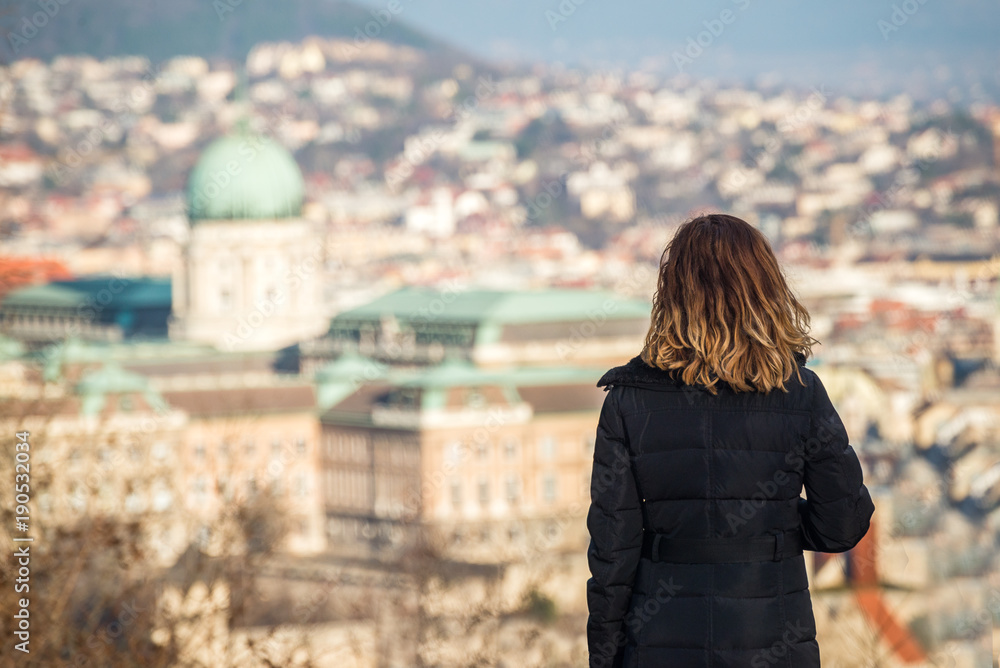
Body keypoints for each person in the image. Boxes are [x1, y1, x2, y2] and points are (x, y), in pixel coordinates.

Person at [586, 213, 875, 668]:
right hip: (775, 640)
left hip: (659, 642)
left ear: (672, 293)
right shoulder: (800, 392)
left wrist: (604, 657)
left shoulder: (627, 402)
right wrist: (765, 521)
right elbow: (842, 526)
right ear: (765, 289)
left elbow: (612, 555)